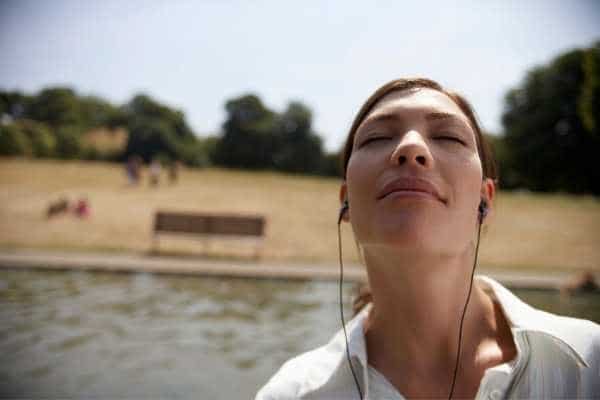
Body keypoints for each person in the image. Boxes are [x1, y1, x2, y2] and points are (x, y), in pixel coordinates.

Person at [256, 78, 600, 399]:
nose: (410, 148)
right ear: (346, 202)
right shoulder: (291, 393)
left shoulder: (589, 362)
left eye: (448, 137)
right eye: (376, 138)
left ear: (485, 200)